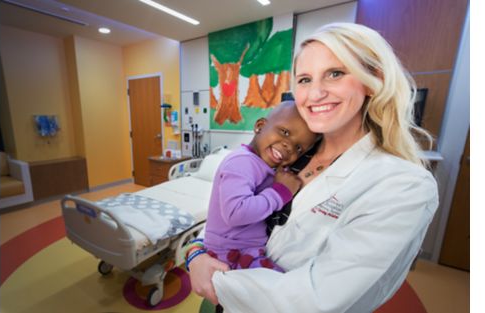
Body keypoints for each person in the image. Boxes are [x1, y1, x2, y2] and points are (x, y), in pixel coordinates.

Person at [186, 22, 439, 313]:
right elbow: (227, 210)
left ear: (371, 81)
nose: (315, 93)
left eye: (335, 73)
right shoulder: (292, 153)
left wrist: (216, 279)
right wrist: (195, 252)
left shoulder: (403, 185)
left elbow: (313, 300)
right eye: (305, 79)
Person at [184, 101, 317, 273]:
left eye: (298, 148)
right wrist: (280, 192)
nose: (288, 146)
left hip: (244, 250)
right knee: (279, 287)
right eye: (284, 132)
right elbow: (236, 213)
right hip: (230, 253)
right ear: (260, 126)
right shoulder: (242, 161)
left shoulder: (264, 164)